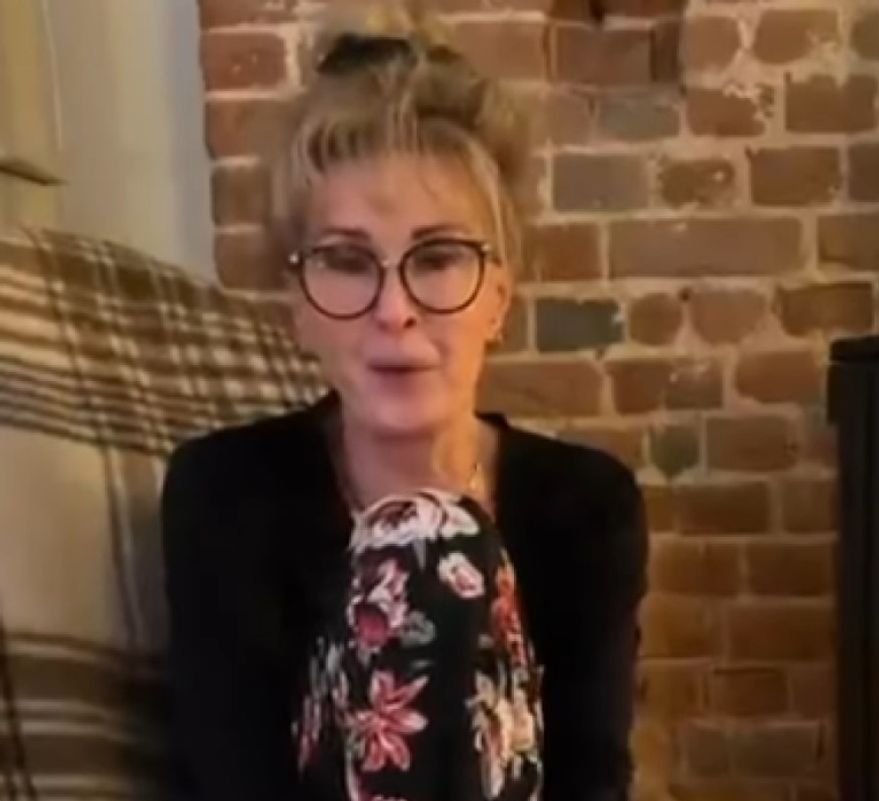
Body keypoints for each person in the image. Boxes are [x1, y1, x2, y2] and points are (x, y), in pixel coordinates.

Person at [161, 7, 648, 801]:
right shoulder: (225, 492)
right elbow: (229, 777)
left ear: (500, 293)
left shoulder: (585, 507)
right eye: (348, 261)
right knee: (426, 544)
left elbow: (592, 779)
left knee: (439, 544)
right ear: (299, 304)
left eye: (439, 256)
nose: (395, 310)